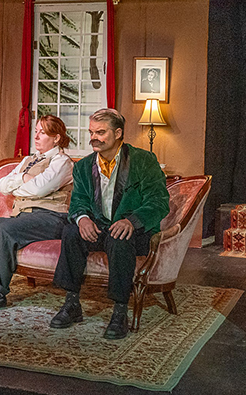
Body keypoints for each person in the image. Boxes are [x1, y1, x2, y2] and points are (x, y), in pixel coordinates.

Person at [49, 108, 169, 339]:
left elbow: (159, 202)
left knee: (120, 236)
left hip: (137, 231)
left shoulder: (143, 160)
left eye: (101, 132)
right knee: (71, 232)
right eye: (91, 132)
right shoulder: (84, 166)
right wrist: (82, 219)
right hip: (101, 228)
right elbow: (78, 202)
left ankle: (120, 311)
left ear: (118, 133)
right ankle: (72, 303)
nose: (94, 137)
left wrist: (132, 221)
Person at [0, 115, 74, 312]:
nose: (37, 136)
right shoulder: (27, 160)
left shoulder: (62, 162)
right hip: (24, 216)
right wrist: (25, 177)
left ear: (57, 138)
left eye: (43, 132)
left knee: (4, 229)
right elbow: (2, 185)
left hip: (52, 217)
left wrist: (18, 185)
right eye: (36, 131)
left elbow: (40, 189)